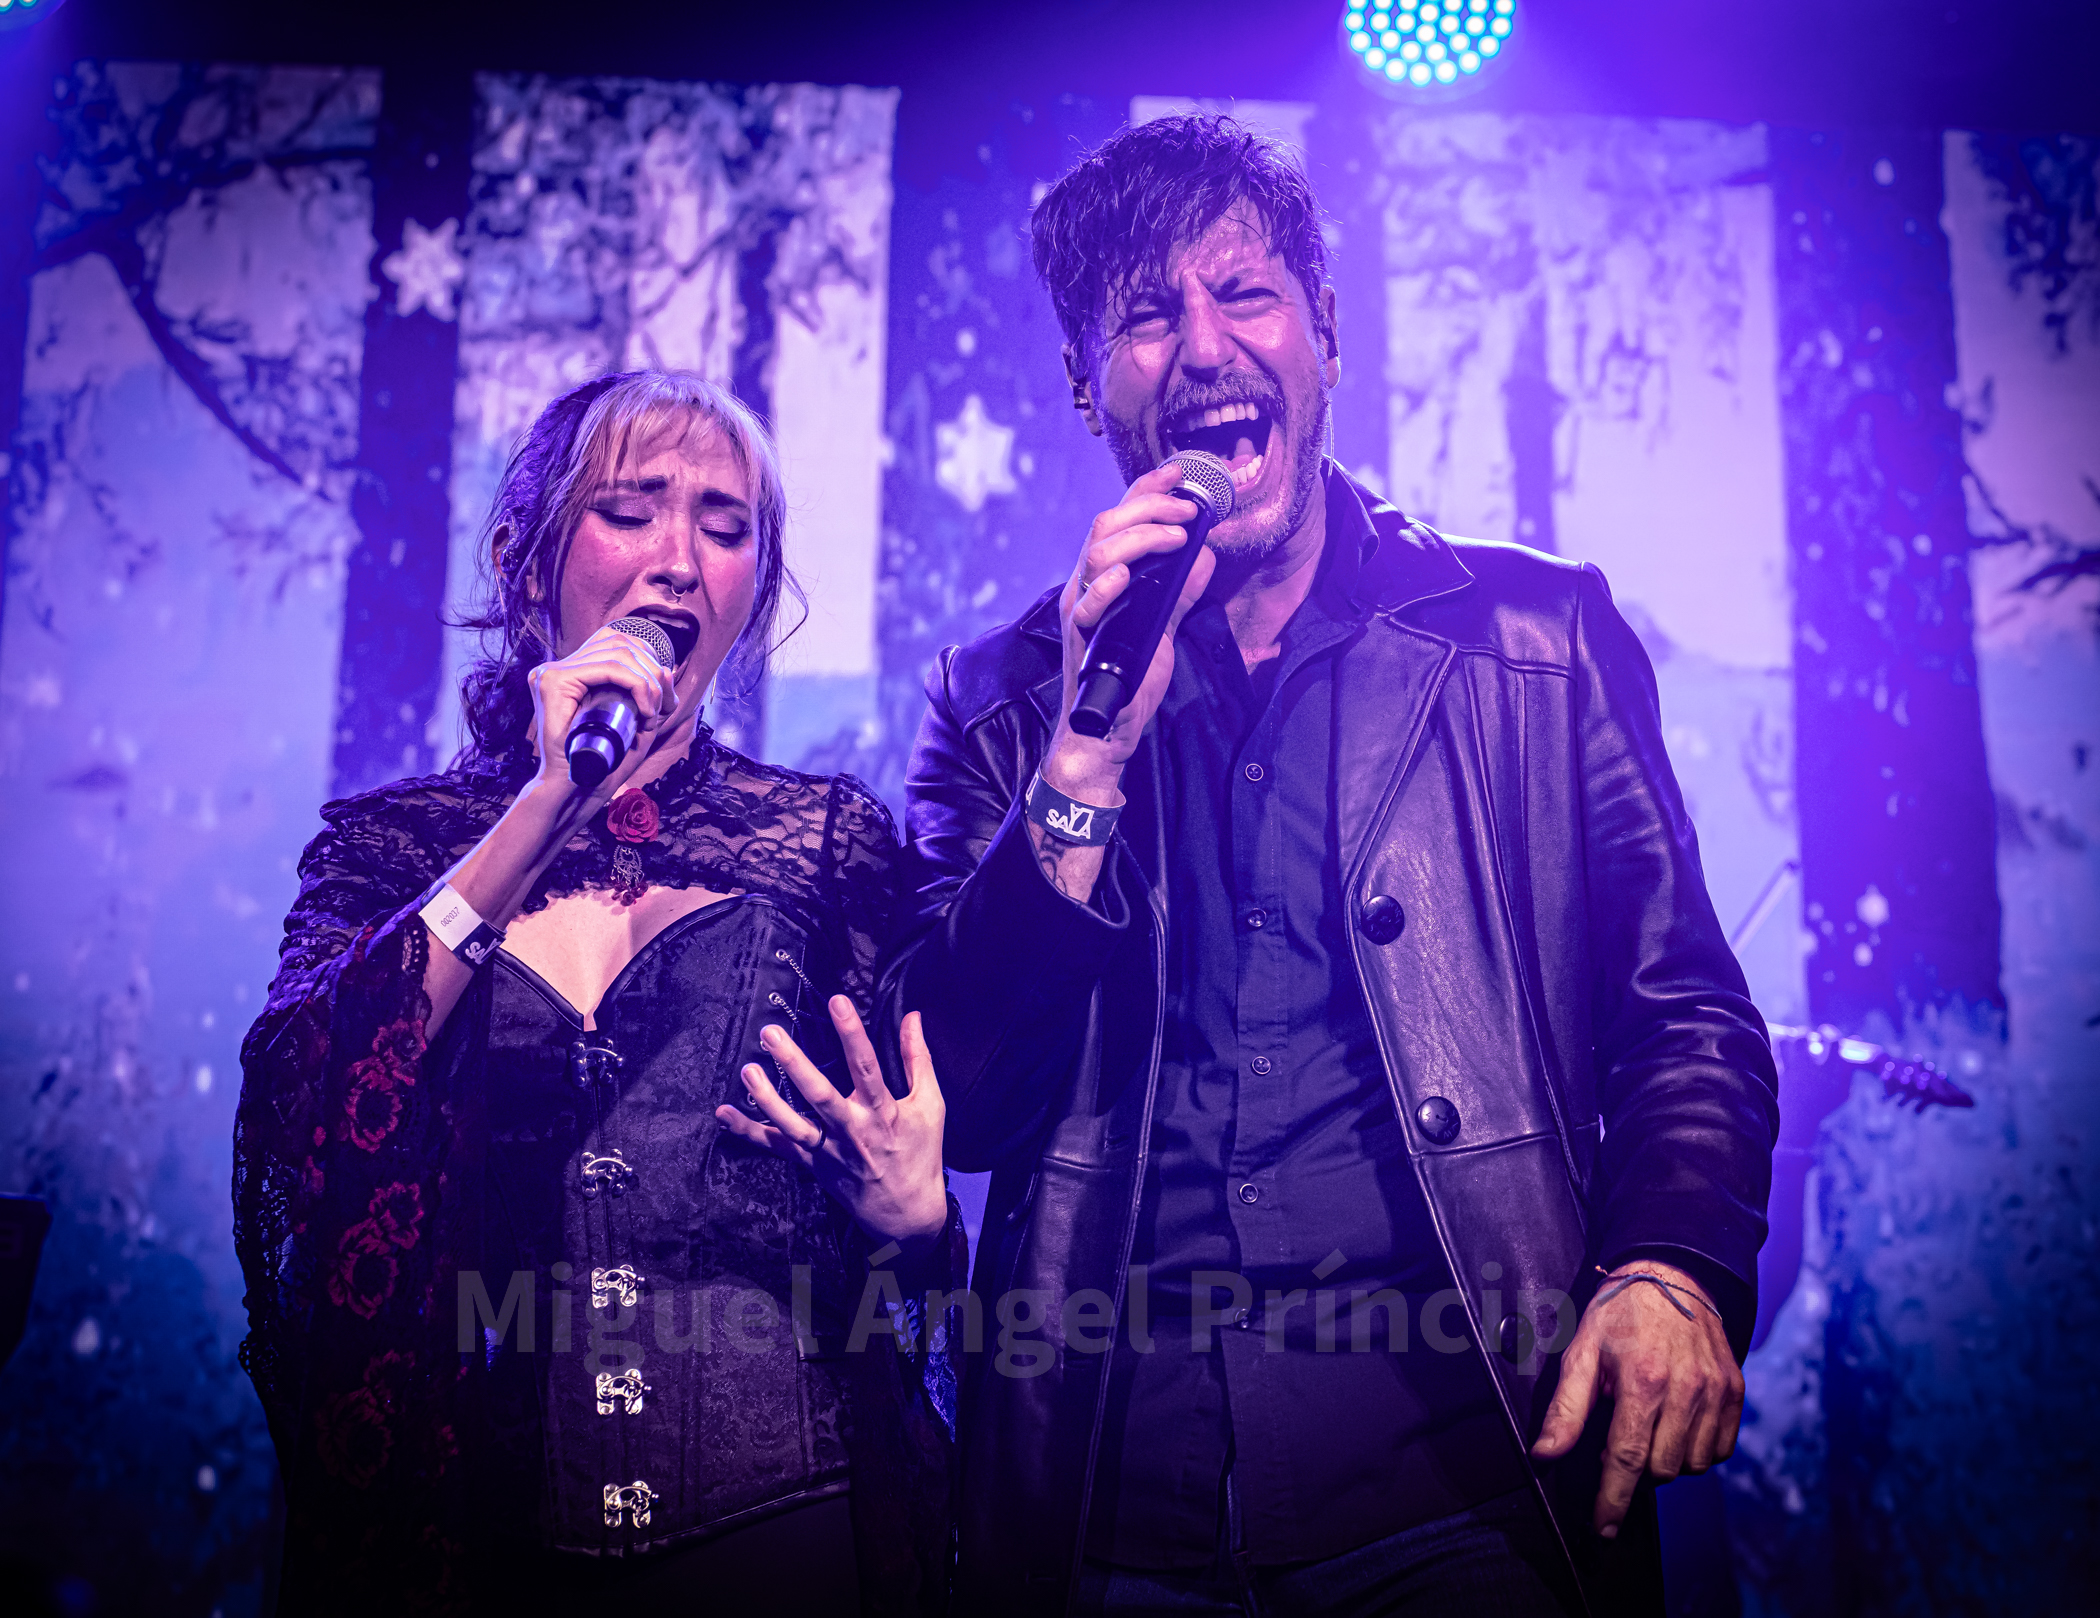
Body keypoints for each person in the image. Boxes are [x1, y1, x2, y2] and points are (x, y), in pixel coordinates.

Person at [880, 115, 1778, 1614]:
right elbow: (957, 1107)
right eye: (1147, 316)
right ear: (1087, 384)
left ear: (1327, 335)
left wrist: (1671, 1265)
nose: (1205, 348)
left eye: (1247, 294)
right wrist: (1080, 765)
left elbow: (1685, 1015)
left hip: (1462, 1490)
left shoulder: (1538, 638)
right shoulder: (999, 701)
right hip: (1114, 1508)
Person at [233, 371, 960, 1614]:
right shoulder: (391, 849)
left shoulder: (830, 845)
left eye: (725, 529)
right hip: (483, 1544)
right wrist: (545, 804)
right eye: (631, 512)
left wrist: (917, 1222)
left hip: (785, 1529)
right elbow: (306, 1110)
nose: (678, 559)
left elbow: (900, 1209)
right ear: (527, 566)